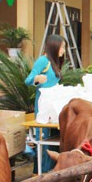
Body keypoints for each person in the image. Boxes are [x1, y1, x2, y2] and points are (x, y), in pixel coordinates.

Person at [24, 34, 65, 174]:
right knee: (43, 138)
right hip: (43, 107)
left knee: (52, 137)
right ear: (54, 46)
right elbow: (28, 79)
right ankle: (39, 172)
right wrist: (37, 78)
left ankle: (50, 170)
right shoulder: (43, 61)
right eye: (62, 47)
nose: (64, 50)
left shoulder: (54, 62)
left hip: (54, 107)